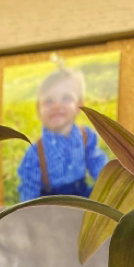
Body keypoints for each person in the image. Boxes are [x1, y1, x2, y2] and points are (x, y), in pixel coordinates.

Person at [17, 67, 108, 201]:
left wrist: (107, 186)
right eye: (48, 101)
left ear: (79, 105)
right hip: (51, 201)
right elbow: (29, 188)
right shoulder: (35, 152)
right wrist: (30, 213)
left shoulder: (86, 136)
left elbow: (97, 163)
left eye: (66, 98)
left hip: (81, 194)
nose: (56, 106)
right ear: (38, 109)